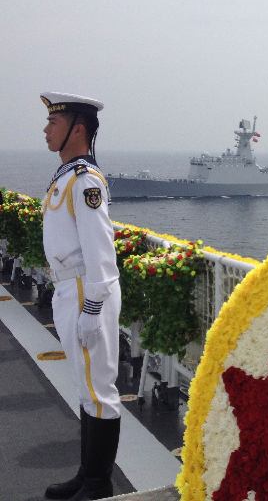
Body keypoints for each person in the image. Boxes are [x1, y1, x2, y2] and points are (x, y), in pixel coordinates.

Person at [40, 92, 122, 500]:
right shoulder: (67, 176)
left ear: (78, 129)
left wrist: (92, 309)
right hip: (68, 289)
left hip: (85, 290)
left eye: (54, 122)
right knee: (85, 387)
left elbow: (100, 254)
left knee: (99, 391)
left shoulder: (85, 180)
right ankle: (86, 475)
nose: (45, 129)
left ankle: (98, 484)